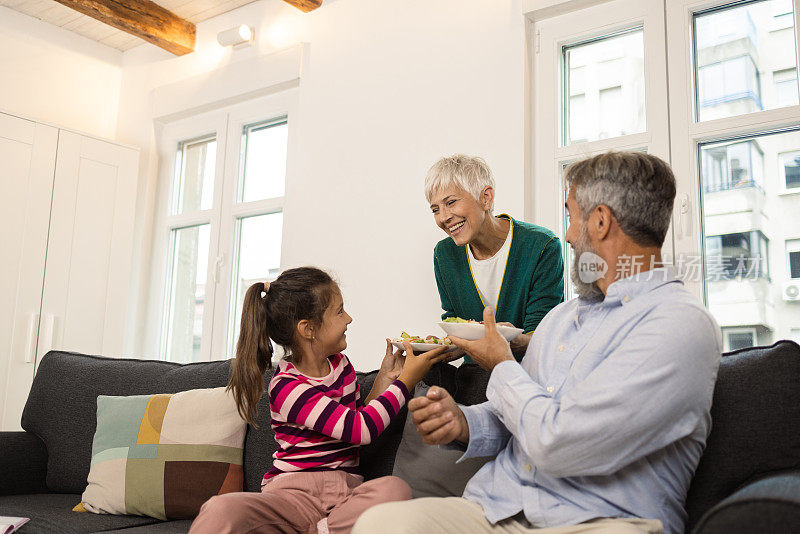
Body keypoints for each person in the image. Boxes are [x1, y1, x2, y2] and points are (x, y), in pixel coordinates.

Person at [354, 152, 722, 534]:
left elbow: (557, 442)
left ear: (600, 221)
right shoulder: (562, 320)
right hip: (498, 510)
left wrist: (500, 364)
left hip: (601, 520)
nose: (566, 234)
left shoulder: (677, 325)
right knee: (382, 523)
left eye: (571, 215)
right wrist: (463, 423)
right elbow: (514, 414)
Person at [189, 267, 449, 534]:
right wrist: (405, 382)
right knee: (221, 509)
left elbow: (352, 420)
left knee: (395, 489)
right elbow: (361, 429)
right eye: (339, 311)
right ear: (308, 329)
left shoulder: (342, 366)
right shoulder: (288, 388)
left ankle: (321, 530)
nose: (349, 318)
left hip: (345, 495)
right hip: (291, 497)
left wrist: (386, 377)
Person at [427, 155, 564, 359]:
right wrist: (441, 349)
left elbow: (544, 335)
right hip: (475, 375)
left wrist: (512, 340)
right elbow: (455, 321)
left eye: (451, 202)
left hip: (528, 374)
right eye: (435, 209)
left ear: (486, 198)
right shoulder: (444, 255)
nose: (444, 217)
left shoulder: (542, 246)